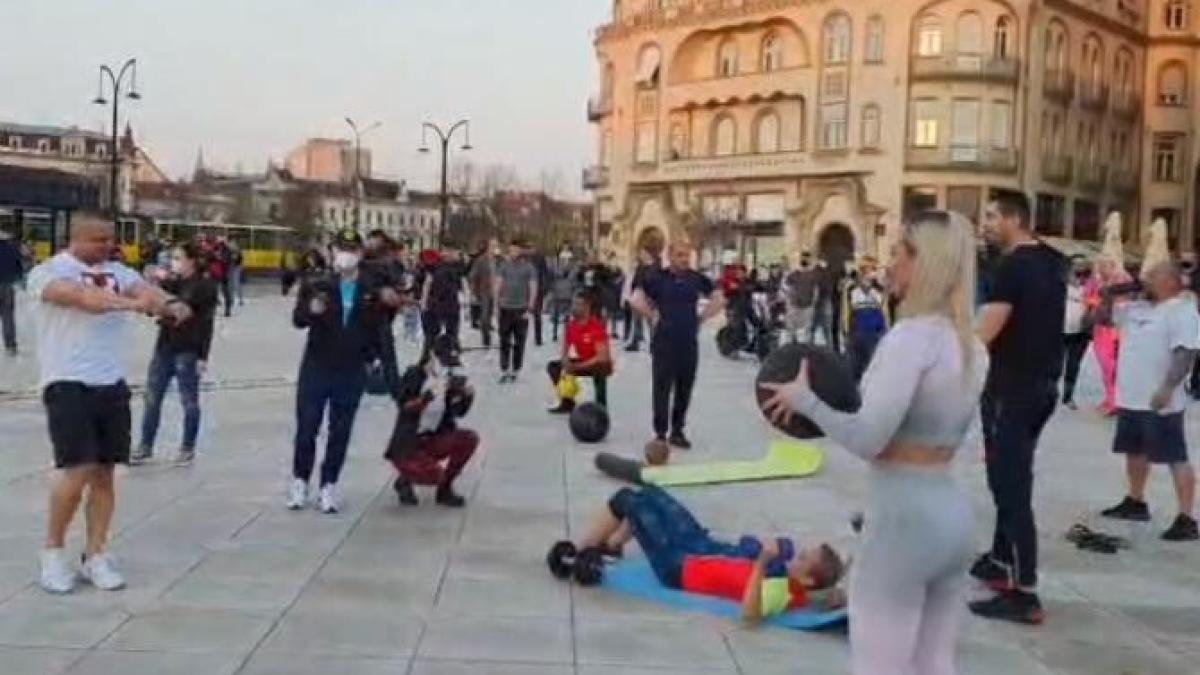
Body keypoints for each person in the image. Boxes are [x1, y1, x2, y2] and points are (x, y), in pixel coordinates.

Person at [760, 210, 988, 675]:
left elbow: (868, 438)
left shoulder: (911, 339)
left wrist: (806, 402)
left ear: (923, 262)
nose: (890, 264)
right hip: (952, 514)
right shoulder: (972, 346)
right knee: (934, 663)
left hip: (903, 519)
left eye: (899, 253)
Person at [27, 213, 191, 594]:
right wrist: (135, 304)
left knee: (104, 473)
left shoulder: (119, 271)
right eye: (98, 239)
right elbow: (86, 300)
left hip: (111, 383)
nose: (107, 246)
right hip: (67, 381)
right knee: (76, 469)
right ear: (76, 238)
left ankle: (96, 553)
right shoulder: (49, 273)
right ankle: (53, 551)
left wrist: (168, 303)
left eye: (109, 239)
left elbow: (149, 291)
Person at [971, 192, 1066, 625]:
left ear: (1015, 219)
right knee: (1008, 473)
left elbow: (984, 333)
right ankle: (1000, 558)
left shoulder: (1012, 267)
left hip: (1011, 388)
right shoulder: (1052, 261)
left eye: (992, 216)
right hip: (1043, 386)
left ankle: (1025, 593)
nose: (986, 224)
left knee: (1010, 484)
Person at [571, 486, 846, 620]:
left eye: (803, 559)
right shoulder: (789, 575)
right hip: (700, 544)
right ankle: (613, 545)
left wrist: (762, 563)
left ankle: (580, 551)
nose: (798, 557)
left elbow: (750, 615)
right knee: (651, 494)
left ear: (808, 579)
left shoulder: (783, 592)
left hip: (679, 567)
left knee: (627, 500)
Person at [288, 229, 401, 514]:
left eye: (351, 250)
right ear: (332, 252)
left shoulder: (371, 288)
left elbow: (381, 325)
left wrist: (375, 358)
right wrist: (311, 310)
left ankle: (329, 484)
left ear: (360, 254)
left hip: (351, 369)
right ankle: (300, 481)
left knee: (340, 430)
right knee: (307, 426)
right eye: (340, 249)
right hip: (317, 365)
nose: (345, 256)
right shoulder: (317, 284)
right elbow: (298, 320)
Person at [1096, 262, 1200, 541]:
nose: (1145, 279)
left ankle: (1187, 518)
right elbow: (1100, 321)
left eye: (1153, 275)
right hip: (1131, 395)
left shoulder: (1182, 310)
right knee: (1134, 451)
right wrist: (1108, 296)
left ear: (1171, 281)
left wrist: (1167, 388)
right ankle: (1135, 500)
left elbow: (1186, 353)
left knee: (1175, 455)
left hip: (1161, 400)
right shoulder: (1135, 308)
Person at [630, 242, 726, 449]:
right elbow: (635, 298)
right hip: (664, 341)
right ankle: (660, 432)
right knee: (662, 387)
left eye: (687, 255)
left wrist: (702, 317)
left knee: (685, 387)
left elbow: (719, 298)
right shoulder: (657, 278)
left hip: (688, 341)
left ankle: (677, 430)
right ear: (670, 256)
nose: (684, 259)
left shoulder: (696, 278)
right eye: (680, 255)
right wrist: (651, 315)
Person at [132, 243, 219, 466]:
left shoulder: (204, 286)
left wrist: (203, 356)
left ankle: (187, 447)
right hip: (165, 345)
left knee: (189, 401)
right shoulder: (172, 283)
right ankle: (145, 445)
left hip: (188, 348)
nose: (174, 262)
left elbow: (203, 321)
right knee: (152, 398)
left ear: (192, 261)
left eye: (178, 258)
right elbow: (153, 302)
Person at [386, 334, 479, 508]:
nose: (446, 367)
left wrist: (466, 397)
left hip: (433, 438)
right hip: (409, 443)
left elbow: (458, 413)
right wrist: (426, 398)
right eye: (444, 361)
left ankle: (445, 490)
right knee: (434, 475)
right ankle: (404, 479)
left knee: (469, 439)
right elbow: (405, 407)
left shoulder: (448, 380)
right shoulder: (415, 375)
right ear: (432, 355)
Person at [548, 290, 613, 412]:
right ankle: (567, 402)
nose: (574, 307)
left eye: (578, 304)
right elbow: (565, 349)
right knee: (553, 366)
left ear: (587, 307)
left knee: (602, 367)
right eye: (574, 304)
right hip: (582, 360)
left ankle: (601, 406)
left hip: (596, 362)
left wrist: (579, 366)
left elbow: (602, 356)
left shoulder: (596, 327)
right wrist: (565, 361)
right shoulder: (570, 326)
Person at [1086, 255, 1131, 415]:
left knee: (1111, 366)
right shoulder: (1097, 281)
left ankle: (1115, 401)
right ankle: (1110, 397)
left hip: (1113, 329)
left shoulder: (1121, 282)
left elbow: (1123, 305)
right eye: (1099, 266)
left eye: (1104, 266)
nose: (1101, 269)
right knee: (1104, 365)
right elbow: (1087, 296)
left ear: (1112, 266)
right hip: (1100, 326)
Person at [493, 238, 539, 383]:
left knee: (519, 341)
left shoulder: (528, 267)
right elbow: (498, 285)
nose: (513, 252)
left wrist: (530, 306)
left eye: (516, 250)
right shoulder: (504, 266)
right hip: (505, 308)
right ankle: (504, 368)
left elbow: (533, 286)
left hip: (521, 308)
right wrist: (496, 304)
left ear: (521, 251)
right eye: (511, 249)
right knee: (504, 339)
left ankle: (516, 368)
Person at [842, 265, 890, 382]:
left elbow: (885, 312)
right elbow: (846, 311)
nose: (867, 276)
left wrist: (886, 330)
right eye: (864, 273)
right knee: (854, 369)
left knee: (872, 369)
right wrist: (846, 329)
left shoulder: (879, 291)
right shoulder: (851, 291)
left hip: (875, 334)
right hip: (856, 333)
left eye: (870, 272)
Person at [421, 243, 467, 354]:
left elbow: (438, 291)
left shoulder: (439, 272)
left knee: (433, 335)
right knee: (450, 332)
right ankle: (451, 349)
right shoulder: (445, 270)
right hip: (449, 306)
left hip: (440, 307)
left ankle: (434, 353)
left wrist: (428, 304)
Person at [1061, 257, 1092, 410]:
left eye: (1084, 273)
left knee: (1073, 365)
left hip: (1081, 333)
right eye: (1077, 273)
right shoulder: (1059, 287)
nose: (1080, 278)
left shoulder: (1092, 288)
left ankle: (1068, 396)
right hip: (1060, 331)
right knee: (1054, 365)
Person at [783, 252, 819, 344]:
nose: (805, 260)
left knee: (805, 333)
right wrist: (790, 299)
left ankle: (803, 348)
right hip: (794, 306)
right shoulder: (794, 273)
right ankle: (792, 347)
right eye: (803, 258)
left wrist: (813, 304)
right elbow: (785, 286)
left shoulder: (813, 275)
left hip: (807, 306)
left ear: (810, 260)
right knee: (792, 331)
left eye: (807, 258)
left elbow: (816, 289)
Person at [468, 239, 497, 348]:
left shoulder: (497, 260)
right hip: (483, 291)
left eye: (495, 246)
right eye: (493, 246)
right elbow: (473, 276)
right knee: (484, 316)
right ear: (488, 247)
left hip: (494, 291)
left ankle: (488, 332)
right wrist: (473, 292)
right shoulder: (480, 261)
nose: (494, 248)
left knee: (489, 315)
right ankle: (486, 339)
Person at [0, 229, 24, 356]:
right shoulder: (13, 249)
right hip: (7, 286)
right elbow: (19, 267)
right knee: (8, 316)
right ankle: (10, 346)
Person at [548, 248, 577, 342]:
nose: (566, 260)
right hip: (558, 293)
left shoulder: (573, 268)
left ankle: (567, 334)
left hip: (567, 294)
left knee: (567, 317)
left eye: (568, 259)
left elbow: (574, 280)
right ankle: (555, 334)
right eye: (564, 258)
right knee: (556, 316)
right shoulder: (556, 267)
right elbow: (552, 277)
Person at [227, 240, 245, 308]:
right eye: (230, 245)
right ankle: (232, 299)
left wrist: (239, 265)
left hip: (236, 268)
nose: (230, 246)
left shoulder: (238, 251)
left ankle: (240, 299)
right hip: (230, 268)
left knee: (236, 284)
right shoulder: (229, 251)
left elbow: (240, 260)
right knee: (230, 285)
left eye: (232, 244)